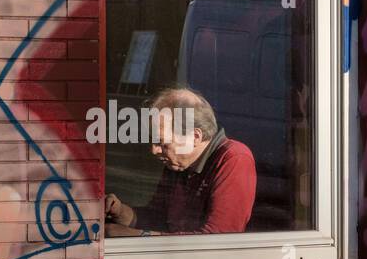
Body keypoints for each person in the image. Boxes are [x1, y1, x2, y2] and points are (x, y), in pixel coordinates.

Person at [104, 88, 256, 236]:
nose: (154, 150)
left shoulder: (234, 158)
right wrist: (120, 212)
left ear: (195, 137)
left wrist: (138, 236)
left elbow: (218, 239)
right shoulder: (178, 163)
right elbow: (157, 218)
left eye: (162, 143)